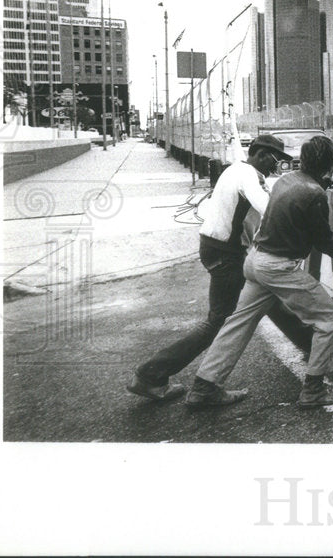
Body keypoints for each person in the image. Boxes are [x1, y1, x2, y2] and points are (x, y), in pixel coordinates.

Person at [185, 136, 333, 408]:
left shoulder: (287, 181)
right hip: (277, 267)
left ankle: (204, 386)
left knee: (238, 322)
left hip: (255, 261)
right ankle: (314, 390)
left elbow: (304, 231)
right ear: (329, 165)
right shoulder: (314, 193)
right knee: (329, 316)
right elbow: (324, 242)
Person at [127, 134, 312, 401]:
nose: (277, 165)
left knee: (267, 297)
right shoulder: (250, 176)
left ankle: (312, 345)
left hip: (216, 247)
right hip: (227, 254)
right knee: (218, 322)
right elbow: (269, 209)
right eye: (275, 159)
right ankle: (151, 375)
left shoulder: (235, 169)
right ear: (260, 154)